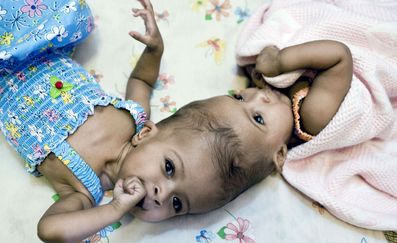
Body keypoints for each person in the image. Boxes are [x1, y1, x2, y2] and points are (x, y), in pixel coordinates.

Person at [0, 0, 263, 241]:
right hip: (36, 39)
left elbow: (50, 230)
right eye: (169, 168)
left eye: (177, 204)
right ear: (146, 134)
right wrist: (155, 49)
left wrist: (114, 209)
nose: (162, 195)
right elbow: (142, 80)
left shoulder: (83, 191)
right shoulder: (134, 118)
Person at [193, 40, 353, 174]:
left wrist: (266, 80)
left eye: (239, 98)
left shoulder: (276, 107)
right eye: (258, 118)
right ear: (280, 154)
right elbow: (340, 57)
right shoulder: (314, 116)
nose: (258, 96)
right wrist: (279, 62)